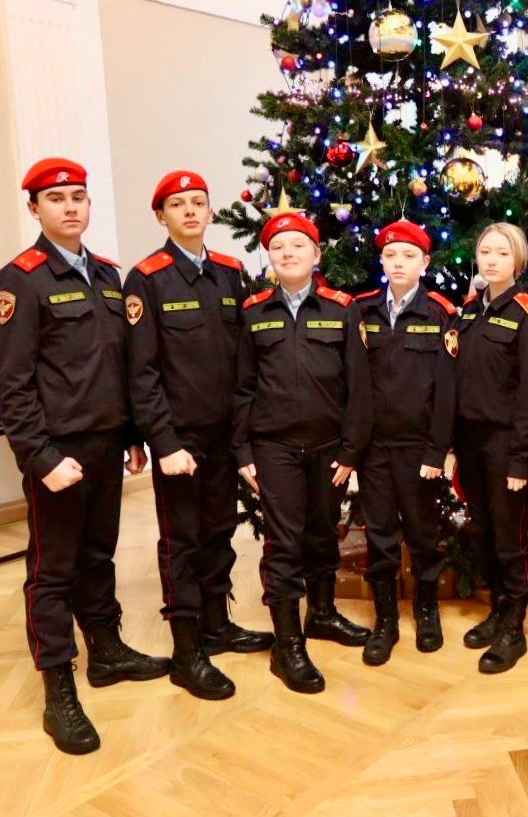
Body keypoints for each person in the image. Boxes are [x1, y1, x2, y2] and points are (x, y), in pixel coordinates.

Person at [0, 158, 169, 755]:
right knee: (52, 570)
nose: (70, 207)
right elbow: (12, 383)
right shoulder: (20, 280)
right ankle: (57, 687)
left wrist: (133, 435)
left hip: (106, 443)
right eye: (56, 198)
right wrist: (40, 458)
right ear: (34, 208)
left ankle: (107, 651)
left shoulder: (108, 276)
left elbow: (120, 365)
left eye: (78, 197)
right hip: (58, 452)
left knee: (98, 555)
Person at [124, 170, 274, 702]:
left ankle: (217, 625)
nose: (190, 211)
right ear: (160, 216)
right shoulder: (147, 279)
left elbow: (245, 362)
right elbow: (141, 372)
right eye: (177, 204)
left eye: (198, 202)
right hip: (181, 441)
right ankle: (187, 651)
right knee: (182, 542)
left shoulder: (230, 273)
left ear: (210, 212)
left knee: (219, 533)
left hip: (225, 435)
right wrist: (163, 443)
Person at [232, 212, 372, 694]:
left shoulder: (341, 308)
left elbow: (359, 386)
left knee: (322, 532)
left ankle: (323, 613)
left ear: (316, 254)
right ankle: (287, 644)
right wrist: (242, 450)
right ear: (268, 257)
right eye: (278, 247)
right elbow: (242, 387)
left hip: (329, 448)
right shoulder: (254, 312)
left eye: (297, 245)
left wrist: (351, 451)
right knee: (284, 543)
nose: (288, 253)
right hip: (274, 447)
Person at [354, 220, 457, 665]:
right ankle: (385, 619)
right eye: (391, 255)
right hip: (375, 447)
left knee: (422, 532)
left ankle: (426, 610)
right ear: (381, 260)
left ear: (425, 262)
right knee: (379, 534)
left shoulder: (440, 313)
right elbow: (353, 383)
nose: (398, 262)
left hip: (419, 448)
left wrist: (437, 449)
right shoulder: (361, 311)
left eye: (409, 256)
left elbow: (448, 390)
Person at [454, 223, 528, 674]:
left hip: (506, 443)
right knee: (486, 532)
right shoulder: (470, 311)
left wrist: (521, 457)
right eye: (485, 252)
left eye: (502, 253)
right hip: (471, 442)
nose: (491, 260)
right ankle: (497, 609)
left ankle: (514, 626)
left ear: (518, 261)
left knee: (510, 538)